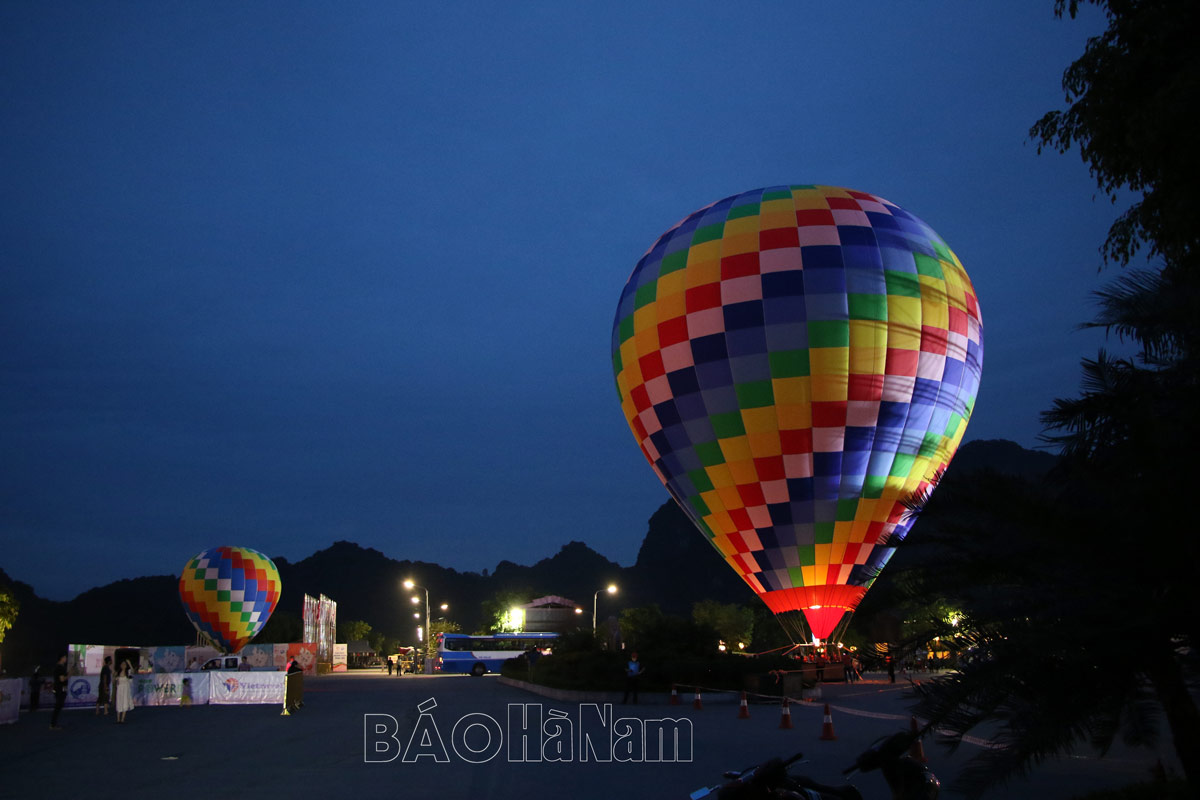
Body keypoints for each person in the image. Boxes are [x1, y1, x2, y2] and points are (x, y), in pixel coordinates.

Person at [49, 654, 68, 730]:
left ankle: (53, 723)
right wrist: (69, 675)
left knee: (59, 706)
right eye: (65, 657)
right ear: (61, 658)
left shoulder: (59, 667)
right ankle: (53, 724)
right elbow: (62, 679)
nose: (66, 659)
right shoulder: (60, 668)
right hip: (60, 689)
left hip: (59, 689)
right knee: (58, 706)